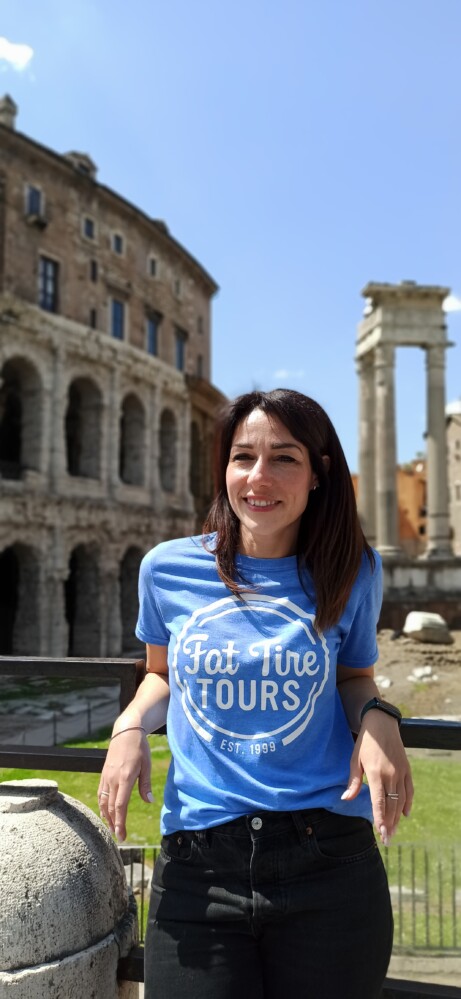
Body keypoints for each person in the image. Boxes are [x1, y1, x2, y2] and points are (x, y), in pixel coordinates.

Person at [99, 388, 413, 999]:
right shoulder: (166, 568)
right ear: (224, 469)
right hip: (198, 861)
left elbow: (354, 676)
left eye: (285, 458)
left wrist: (378, 716)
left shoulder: (354, 569)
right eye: (244, 457)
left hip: (328, 858)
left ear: (320, 474)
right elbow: (161, 675)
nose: (258, 477)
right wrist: (129, 726)